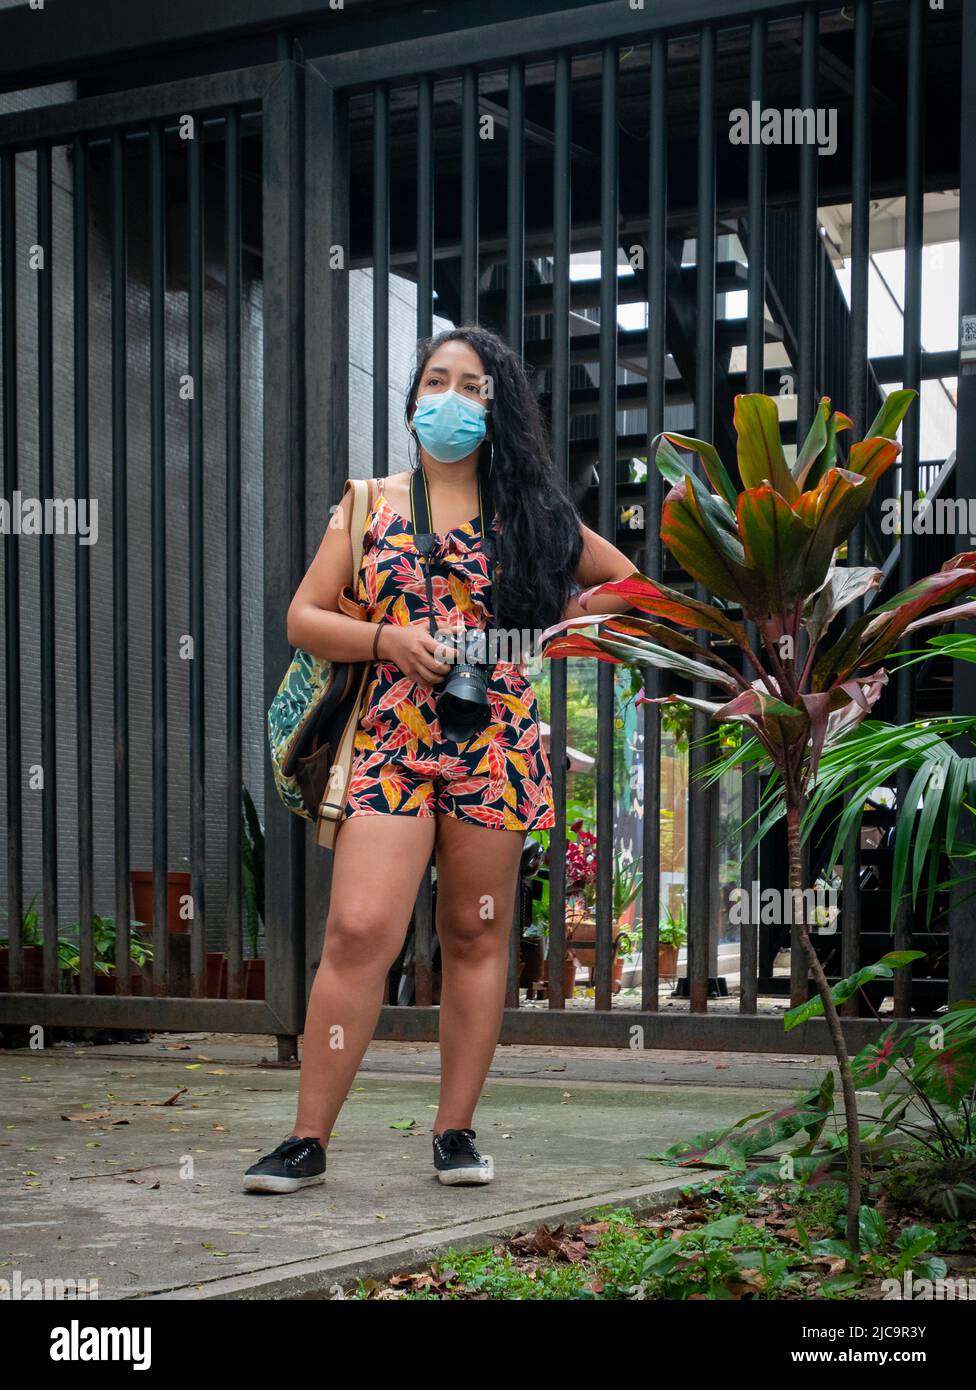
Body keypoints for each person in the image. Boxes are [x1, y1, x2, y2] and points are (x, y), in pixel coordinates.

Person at [244, 324, 636, 1194]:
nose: (449, 399)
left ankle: (454, 1131)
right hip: (392, 738)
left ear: (497, 410)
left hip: (495, 740)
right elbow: (304, 617)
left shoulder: (534, 514)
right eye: (435, 381)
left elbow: (625, 592)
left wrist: (534, 642)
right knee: (357, 933)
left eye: (470, 386)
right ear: (413, 397)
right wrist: (387, 637)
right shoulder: (370, 501)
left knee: (476, 933)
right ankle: (307, 1138)